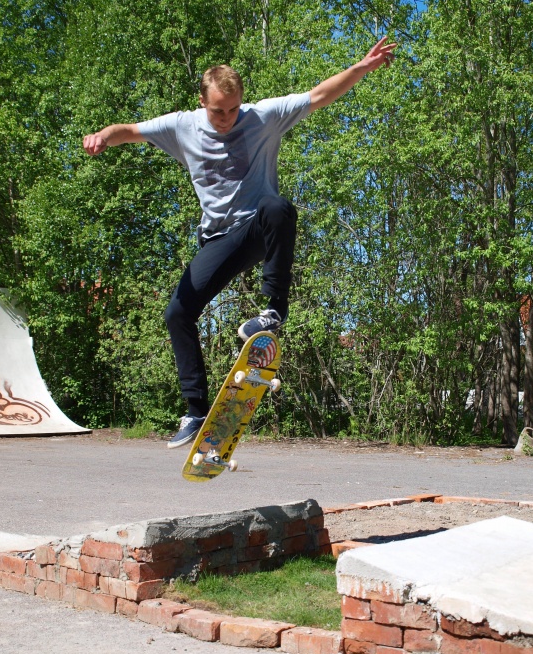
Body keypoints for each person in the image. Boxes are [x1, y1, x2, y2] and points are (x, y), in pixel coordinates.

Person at [83, 37, 397, 448]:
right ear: (202, 101)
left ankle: (273, 312)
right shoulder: (181, 125)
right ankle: (196, 413)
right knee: (178, 313)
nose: (227, 118)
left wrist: (361, 68)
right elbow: (131, 130)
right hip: (219, 239)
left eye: (233, 109)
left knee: (277, 206)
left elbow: (320, 94)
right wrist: (104, 135)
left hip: (257, 229)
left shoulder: (263, 116)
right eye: (218, 110)